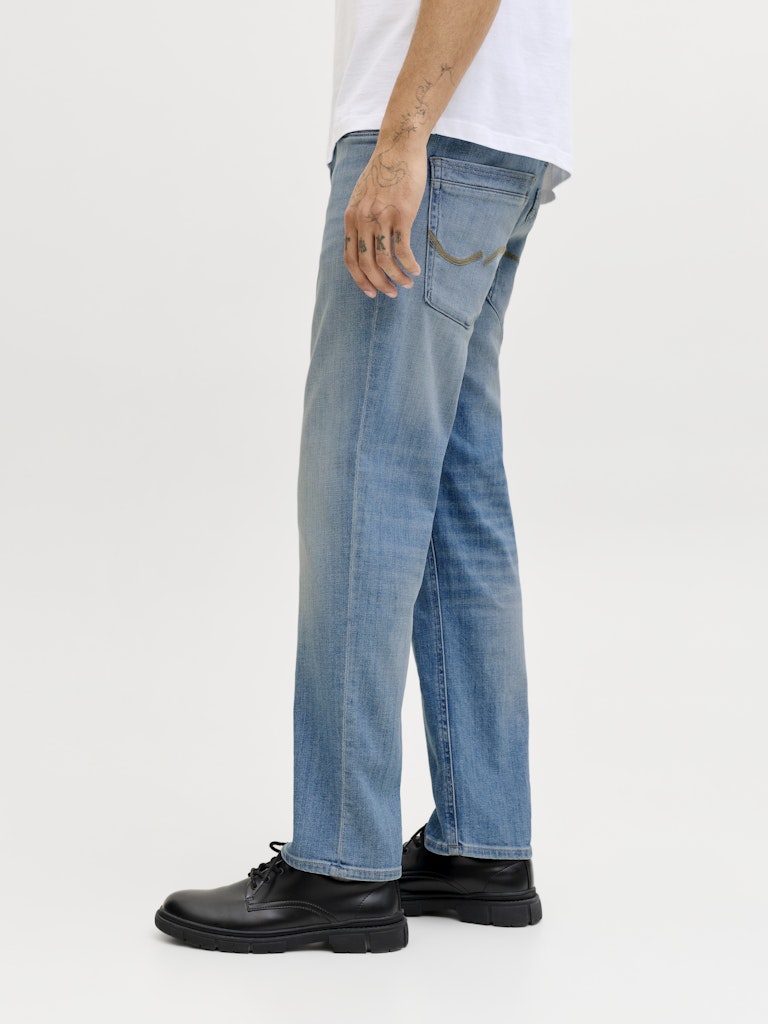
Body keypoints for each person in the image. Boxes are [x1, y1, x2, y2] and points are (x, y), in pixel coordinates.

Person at [155, 0, 572, 954]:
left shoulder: (414, 137)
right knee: (457, 497)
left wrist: (400, 140)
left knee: (361, 484)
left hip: (433, 135)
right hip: (497, 135)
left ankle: (341, 862)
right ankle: (482, 846)